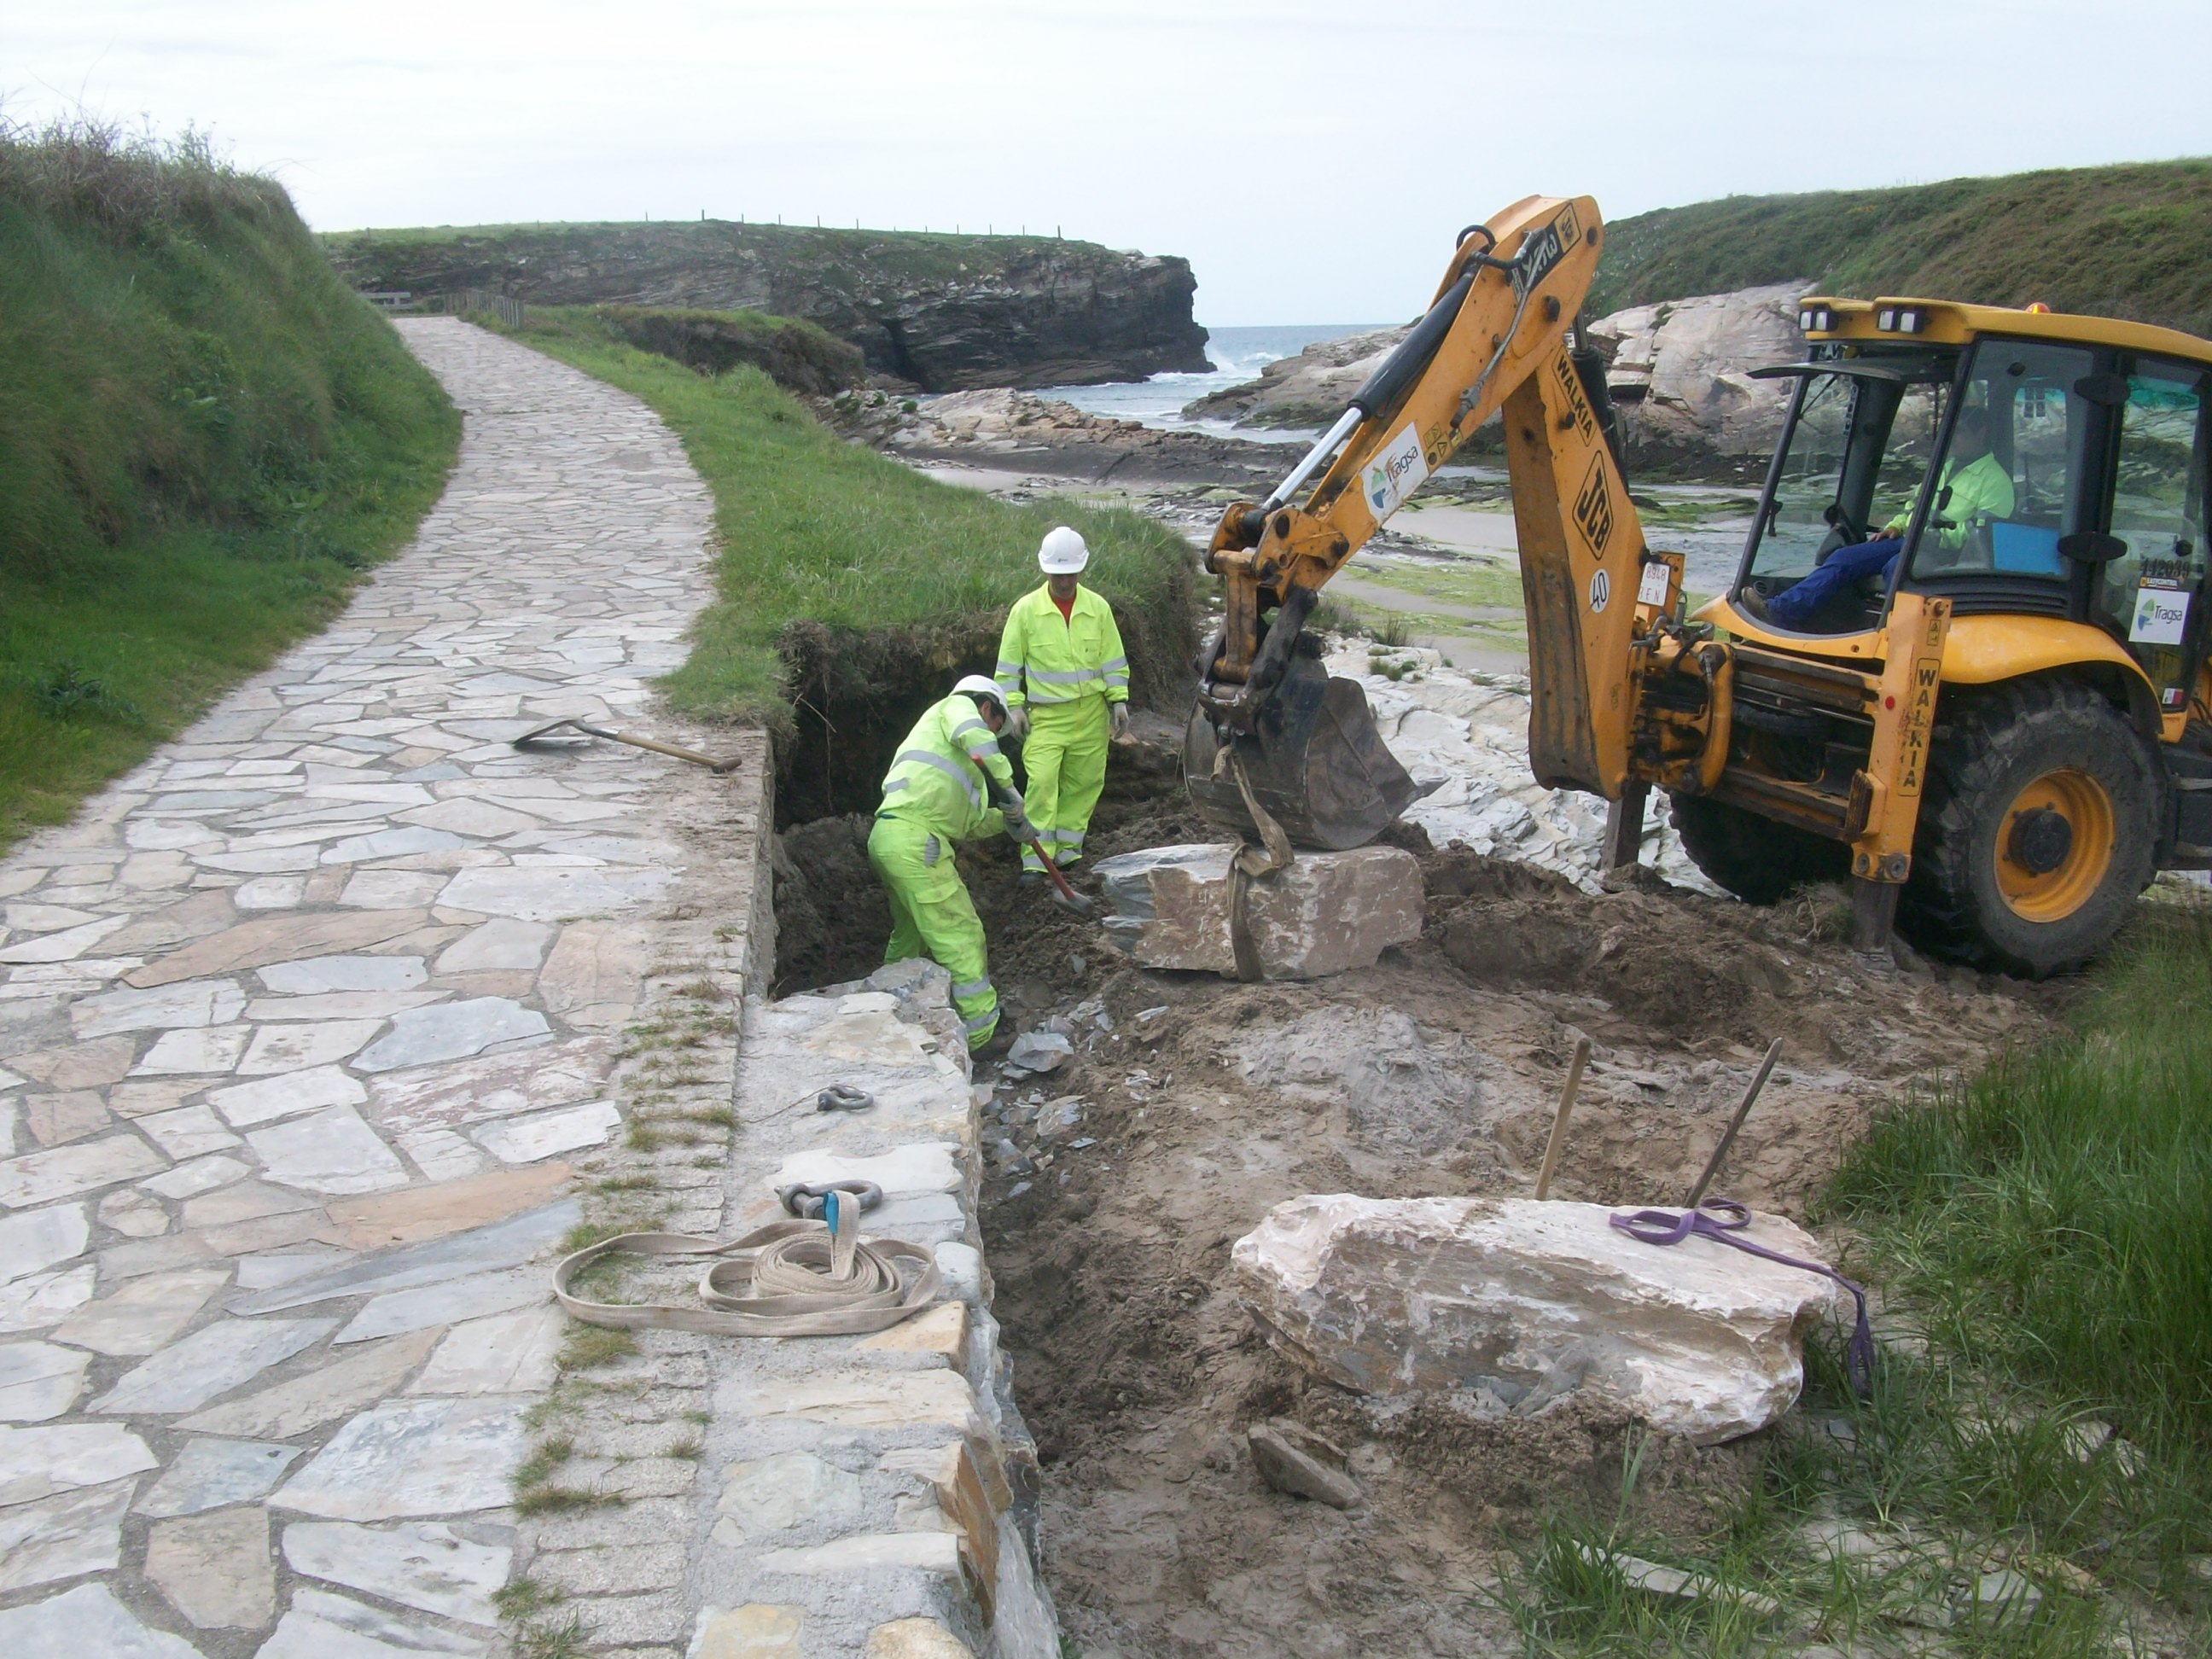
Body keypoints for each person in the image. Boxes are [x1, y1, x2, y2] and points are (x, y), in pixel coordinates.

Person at [867, 674, 1033, 1054]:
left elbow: (967, 826)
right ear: (986, 707)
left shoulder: (952, 756)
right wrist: (1009, 788)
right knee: (960, 934)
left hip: (892, 837)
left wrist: (1007, 823)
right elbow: (977, 736)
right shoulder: (955, 708)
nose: (993, 736)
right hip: (916, 844)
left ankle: (887, 1009)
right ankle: (983, 1030)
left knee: (909, 936)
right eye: (995, 726)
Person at [1742, 405, 2016, 632]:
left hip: (1950, 554)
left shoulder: (1996, 482)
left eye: (1961, 433)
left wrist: (1935, 534)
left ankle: (1890, 634)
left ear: (1981, 434)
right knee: (1844, 558)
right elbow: (1913, 507)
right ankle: (1781, 611)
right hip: (1911, 540)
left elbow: (1984, 536)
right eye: (1952, 433)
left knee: (1898, 568)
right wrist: (1896, 526)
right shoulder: (1944, 468)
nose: (1954, 439)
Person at [994, 526, 1131, 883]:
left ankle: (1068, 854)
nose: (1065, 581)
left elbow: (1113, 660)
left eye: (1071, 574)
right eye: (1058, 574)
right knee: (1040, 785)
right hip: (1047, 717)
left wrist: (1118, 701)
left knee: (1084, 784)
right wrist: (1015, 707)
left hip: (1090, 715)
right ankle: (1037, 861)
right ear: (1045, 571)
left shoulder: (1097, 608)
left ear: (1081, 570)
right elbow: (1008, 668)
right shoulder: (1025, 611)